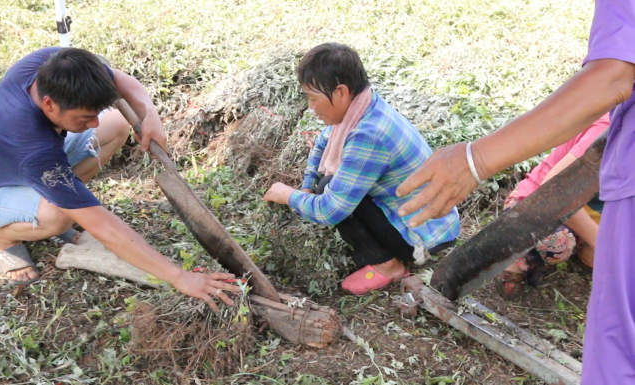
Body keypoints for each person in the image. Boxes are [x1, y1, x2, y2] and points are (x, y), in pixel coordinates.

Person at [394, 0, 635, 382]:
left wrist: (476, 161)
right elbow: (560, 188)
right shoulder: (601, 127)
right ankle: (519, 261)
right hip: (542, 205)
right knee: (568, 246)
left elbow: (612, 75)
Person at [0, 47, 238, 311]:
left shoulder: (55, 63)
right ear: (50, 105)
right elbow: (101, 225)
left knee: (116, 124)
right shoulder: (34, 149)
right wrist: (179, 277)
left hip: (21, 165)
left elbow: (121, 80)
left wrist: (149, 114)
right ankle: (3, 238)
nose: (93, 124)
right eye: (84, 118)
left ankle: (59, 198)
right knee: (59, 217)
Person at [263, 43, 460, 295]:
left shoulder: (369, 135)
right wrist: (306, 185)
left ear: (341, 92)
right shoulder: (364, 107)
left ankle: (389, 266)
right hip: (432, 219)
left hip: (424, 237)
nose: (311, 106)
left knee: (330, 191)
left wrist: (288, 196)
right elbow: (323, 141)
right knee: (326, 185)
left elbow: (329, 211)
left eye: (313, 98)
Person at [495, 114, 609, 300]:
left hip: (587, 216)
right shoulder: (608, 131)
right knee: (556, 242)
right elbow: (555, 192)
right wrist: (603, 244)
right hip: (538, 204)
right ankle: (516, 260)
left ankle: (582, 252)